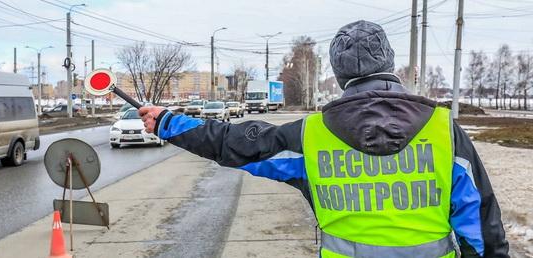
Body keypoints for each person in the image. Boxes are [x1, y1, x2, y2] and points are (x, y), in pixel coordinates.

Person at [138, 20, 509, 258]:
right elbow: (480, 222)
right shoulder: (443, 129)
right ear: (390, 64)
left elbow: (233, 142)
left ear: (338, 71)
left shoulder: (311, 136)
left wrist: (168, 121)